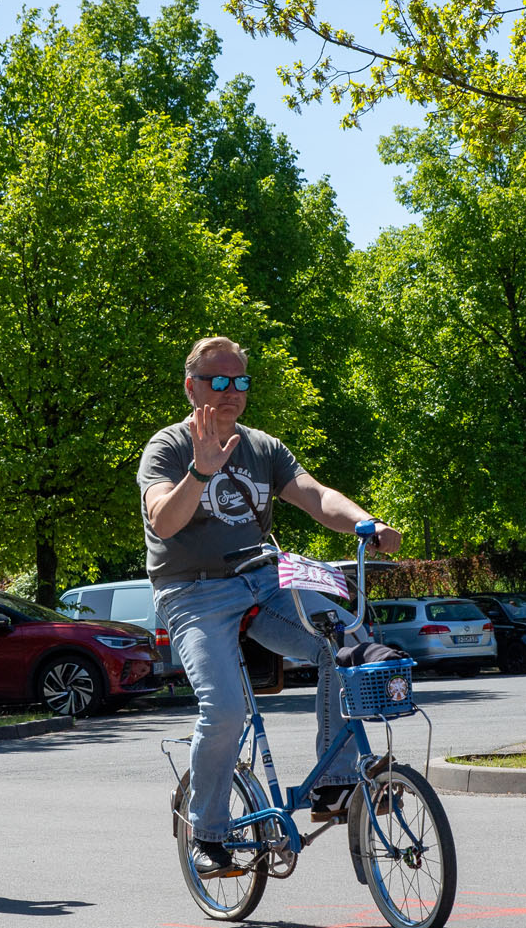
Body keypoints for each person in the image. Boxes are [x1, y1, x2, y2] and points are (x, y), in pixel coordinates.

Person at [138, 336, 402, 879]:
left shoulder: (263, 448)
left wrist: (364, 522)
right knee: (226, 710)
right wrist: (202, 471)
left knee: (345, 643)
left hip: (263, 579)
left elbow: (314, 494)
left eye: (240, 381)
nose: (231, 391)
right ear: (192, 387)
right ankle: (208, 831)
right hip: (194, 592)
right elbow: (163, 520)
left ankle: (335, 782)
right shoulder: (167, 448)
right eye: (218, 381)